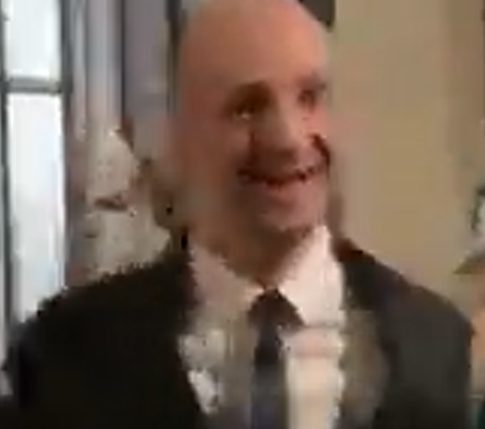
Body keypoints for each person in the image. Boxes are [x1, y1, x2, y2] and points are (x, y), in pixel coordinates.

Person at [0, 0, 472, 428]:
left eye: (310, 97)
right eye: (247, 107)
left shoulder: (434, 346)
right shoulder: (67, 352)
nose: (288, 138)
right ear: (175, 136)